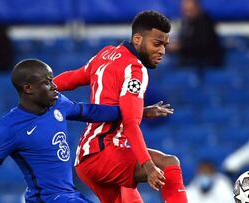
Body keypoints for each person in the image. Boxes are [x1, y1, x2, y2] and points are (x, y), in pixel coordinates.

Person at [54, 10, 188, 203]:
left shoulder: (106, 54)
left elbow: (74, 77)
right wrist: (148, 166)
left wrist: (45, 87)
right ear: (137, 39)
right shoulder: (134, 69)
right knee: (169, 164)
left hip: (85, 158)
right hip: (105, 153)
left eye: (165, 45)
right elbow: (131, 123)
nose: (162, 51)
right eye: (156, 44)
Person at [0, 59, 125, 203]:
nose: (55, 87)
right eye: (47, 82)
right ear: (28, 88)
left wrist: (132, 112)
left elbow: (89, 112)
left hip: (68, 196)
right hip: (45, 199)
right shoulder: (9, 127)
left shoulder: (58, 103)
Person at [169, 0, 224, 69]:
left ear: (198, 7)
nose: (188, 13)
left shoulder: (206, 22)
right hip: (189, 62)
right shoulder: (186, 23)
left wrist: (180, 47)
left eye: (190, 10)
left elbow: (202, 44)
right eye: (185, 10)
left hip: (206, 63)